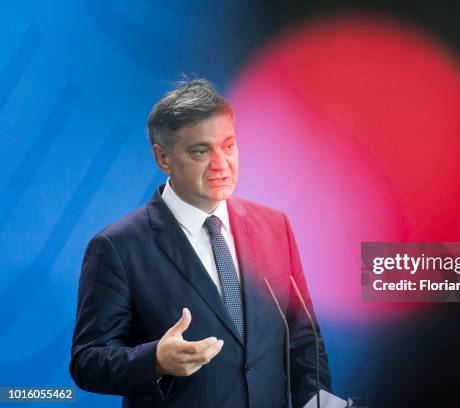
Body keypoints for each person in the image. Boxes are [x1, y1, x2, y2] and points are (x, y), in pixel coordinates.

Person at [70, 79, 332, 407]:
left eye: (229, 145)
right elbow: (87, 362)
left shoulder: (275, 226)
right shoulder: (116, 247)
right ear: (163, 158)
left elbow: (304, 338)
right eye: (201, 151)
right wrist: (155, 361)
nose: (221, 164)